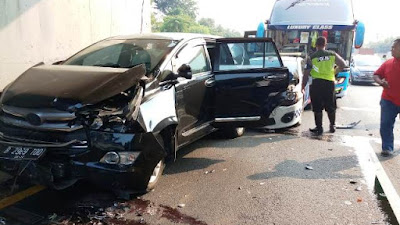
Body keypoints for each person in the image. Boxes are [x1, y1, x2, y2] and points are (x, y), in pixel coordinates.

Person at [302, 36, 346, 135]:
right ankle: (332, 125)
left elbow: (306, 73)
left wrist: (303, 86)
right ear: (325, 45)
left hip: (316, 83)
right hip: (329, 83)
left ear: (315, 45)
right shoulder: (332, 54)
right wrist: (334, 72)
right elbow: (343, 64)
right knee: (330, 105)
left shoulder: (311, 57)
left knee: (317, 107)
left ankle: (319, 128)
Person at [373, 38, 400, 157]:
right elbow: (376, 75)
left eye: (394, 47)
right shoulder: (388, 63)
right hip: (388, 100)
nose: (391, 49)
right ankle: (387, 147)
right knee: (386, 124)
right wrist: (381, 82)